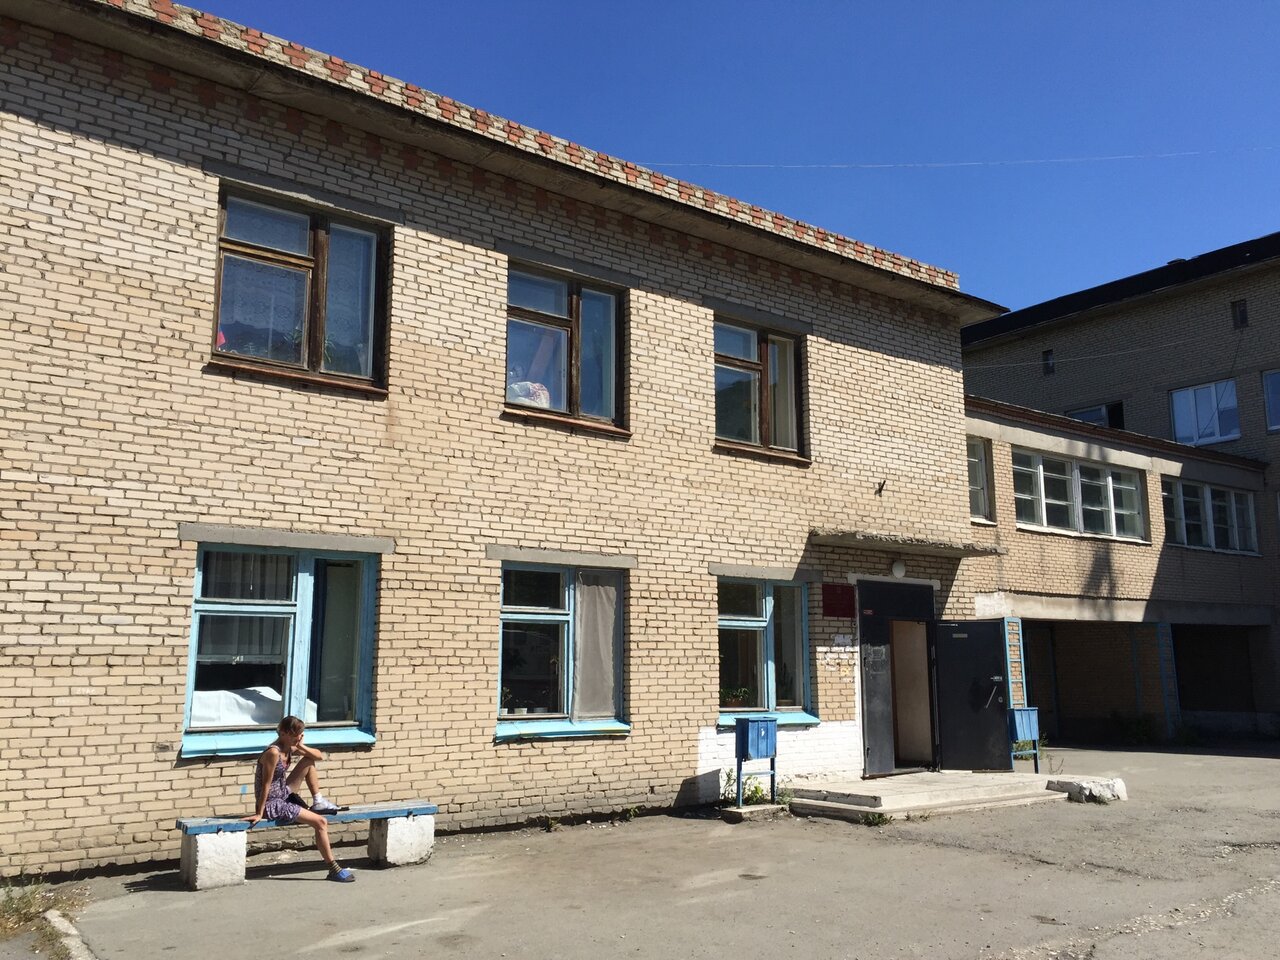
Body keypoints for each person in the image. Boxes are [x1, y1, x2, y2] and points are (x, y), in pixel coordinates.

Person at [243, 715, 354, 882]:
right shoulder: (273, 752)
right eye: (296, 735)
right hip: (272, 803)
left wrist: (301, 746)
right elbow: (265, 785)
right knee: (321, 822)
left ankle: (318, 801)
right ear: (284, 733)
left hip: (282, 793)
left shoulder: (290, 747)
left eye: (301, 734)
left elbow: (318, 756)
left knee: (308, 760)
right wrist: (260, 812)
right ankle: (333, 868)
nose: (299, 737)